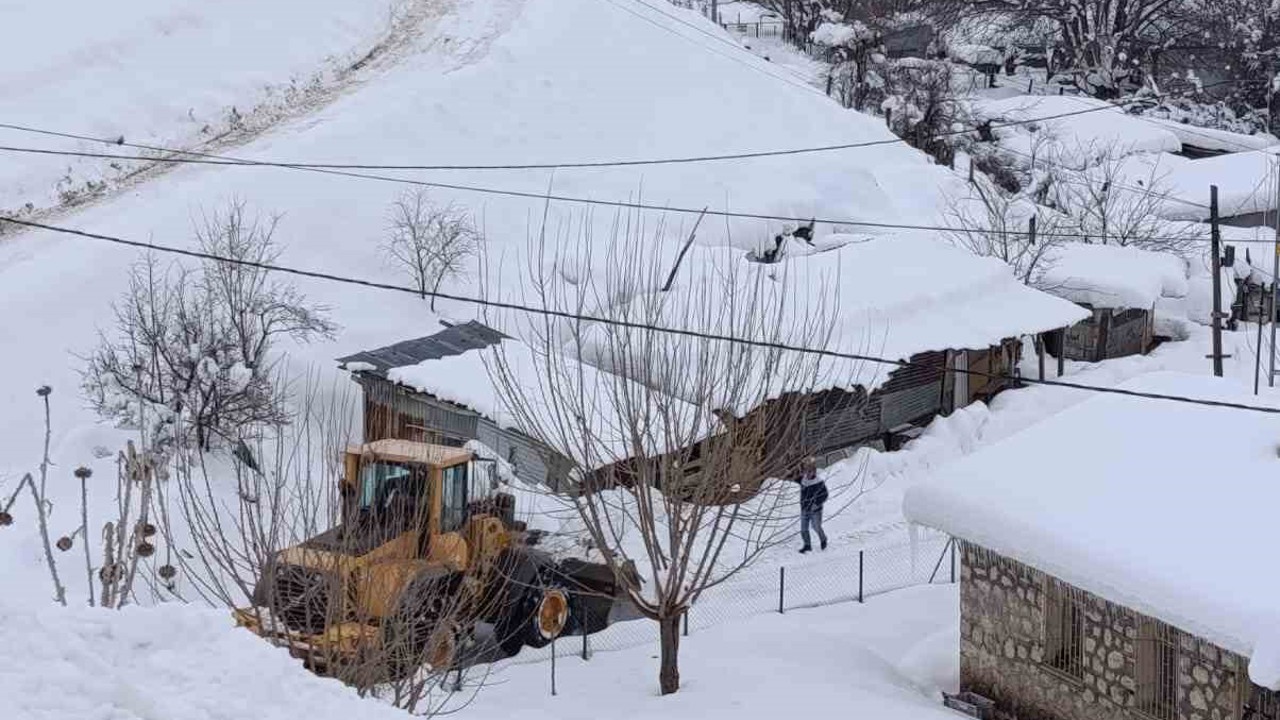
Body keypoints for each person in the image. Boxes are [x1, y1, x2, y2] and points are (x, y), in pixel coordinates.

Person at [797, 456, 828, 554]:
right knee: (803, 529)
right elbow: (793, 477)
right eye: (807, 471)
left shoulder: (819, 482)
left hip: (815, 510)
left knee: (816, 527)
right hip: (804, 509)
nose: (808, 474)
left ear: (814, 472)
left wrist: (816, 504)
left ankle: (823, 539)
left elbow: (825, 495)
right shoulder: (803, 480)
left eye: (810, 472)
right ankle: (807, 545)